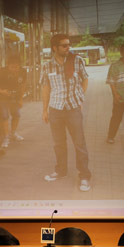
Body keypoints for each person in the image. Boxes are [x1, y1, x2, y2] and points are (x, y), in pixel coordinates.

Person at [40, 34, 91, 192]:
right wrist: (45, 109)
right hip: (55, 109)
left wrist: (80, 98)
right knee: (59, 144)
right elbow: (45, 87)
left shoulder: (77, 61)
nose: (68, 48)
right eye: (64, 45)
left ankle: (84, 176)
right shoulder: (47, 66)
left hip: (73, 109)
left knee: (79, 144)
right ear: (55, 47)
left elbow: (85, 79)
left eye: (69, 44)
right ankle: (61, 171)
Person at [0, 56, 27, 148]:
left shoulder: (23, 71)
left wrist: (21, 99)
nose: (14, 69)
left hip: (15, 96)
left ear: (19, 66)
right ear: (8, 65)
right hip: (2, 97)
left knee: (16, 115)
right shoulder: (1, 71)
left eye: (16, 67)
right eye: (12, 67)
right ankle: (6, 137)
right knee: (5, 116)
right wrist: (1, 91)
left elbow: (23, 85)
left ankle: (13, 133)